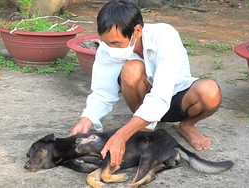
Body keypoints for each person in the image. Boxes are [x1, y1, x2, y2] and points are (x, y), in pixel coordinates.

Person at [69, 0, 222, 167]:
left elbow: (160, 96)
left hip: (175, 97)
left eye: (116, 43)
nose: (110, 48)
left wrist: (122, 135)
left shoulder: (165, 36)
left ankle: (187, 126)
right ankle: (145, 127)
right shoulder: (107, 49)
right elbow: (102, 92)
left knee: (210, 91)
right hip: (141, 102)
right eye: (106, 42)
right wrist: (87, 118)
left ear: (137, 31)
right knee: (132, 68)